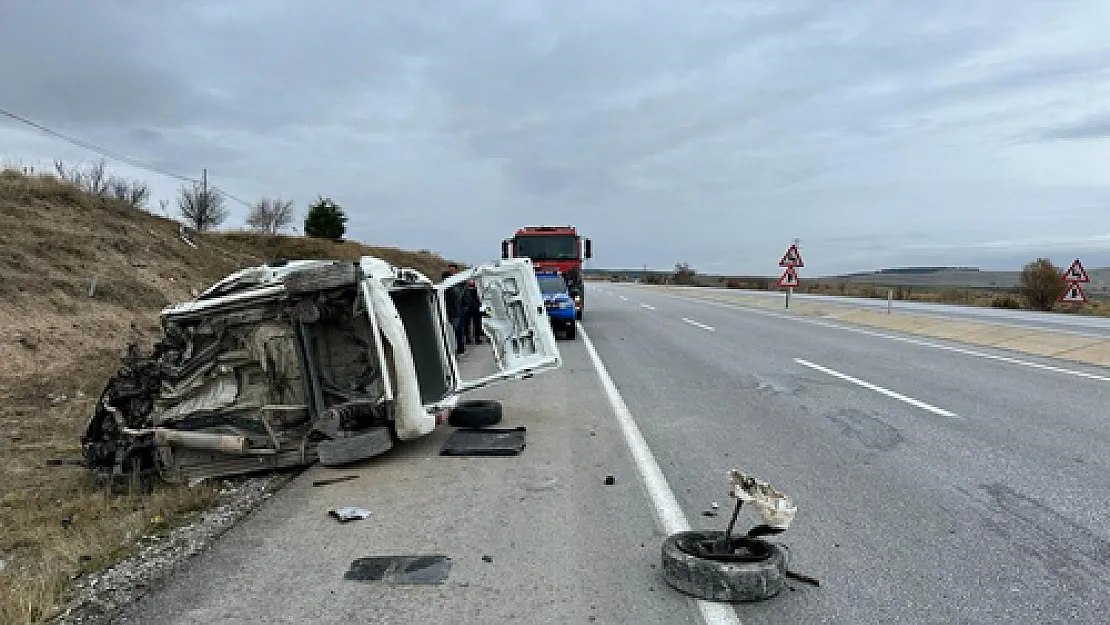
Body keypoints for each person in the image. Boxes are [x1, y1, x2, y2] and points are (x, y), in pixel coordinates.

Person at [464, 280, 483, 344]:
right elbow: (479, 299)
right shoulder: (476, 290)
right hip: (475, 308)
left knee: (468, 324)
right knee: (476, 323)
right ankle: (476, 339)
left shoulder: (465, 289)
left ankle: (468, 338)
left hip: (468, 308)